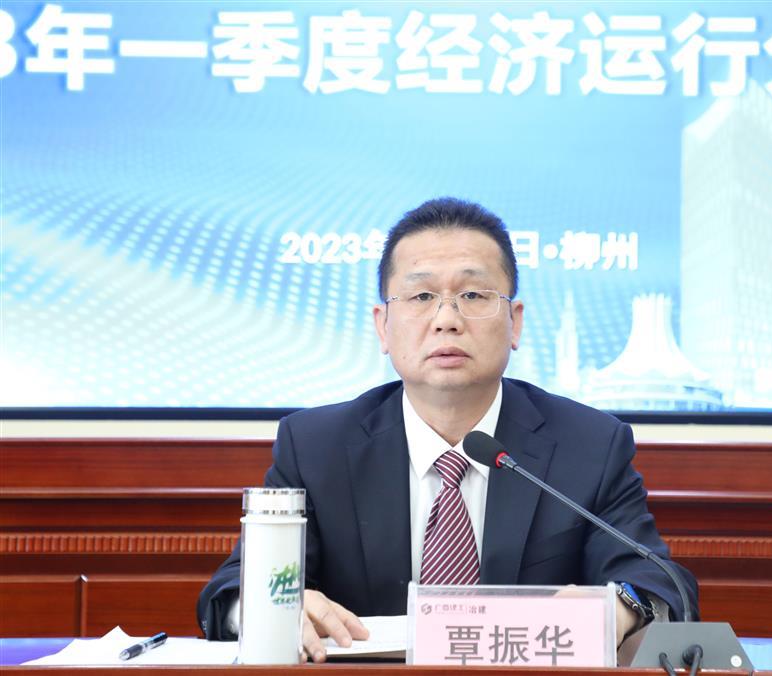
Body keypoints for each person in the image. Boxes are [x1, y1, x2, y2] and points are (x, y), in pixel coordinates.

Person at [197, 197, 699, 661]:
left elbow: (657, 581)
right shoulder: (315, 447)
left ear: (515, 321)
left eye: (473, 294)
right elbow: (228, 594)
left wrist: (617, 609)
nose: (446, 319)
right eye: (421, 296)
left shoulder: (588, 445)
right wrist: (270, 609)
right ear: (382, 325)